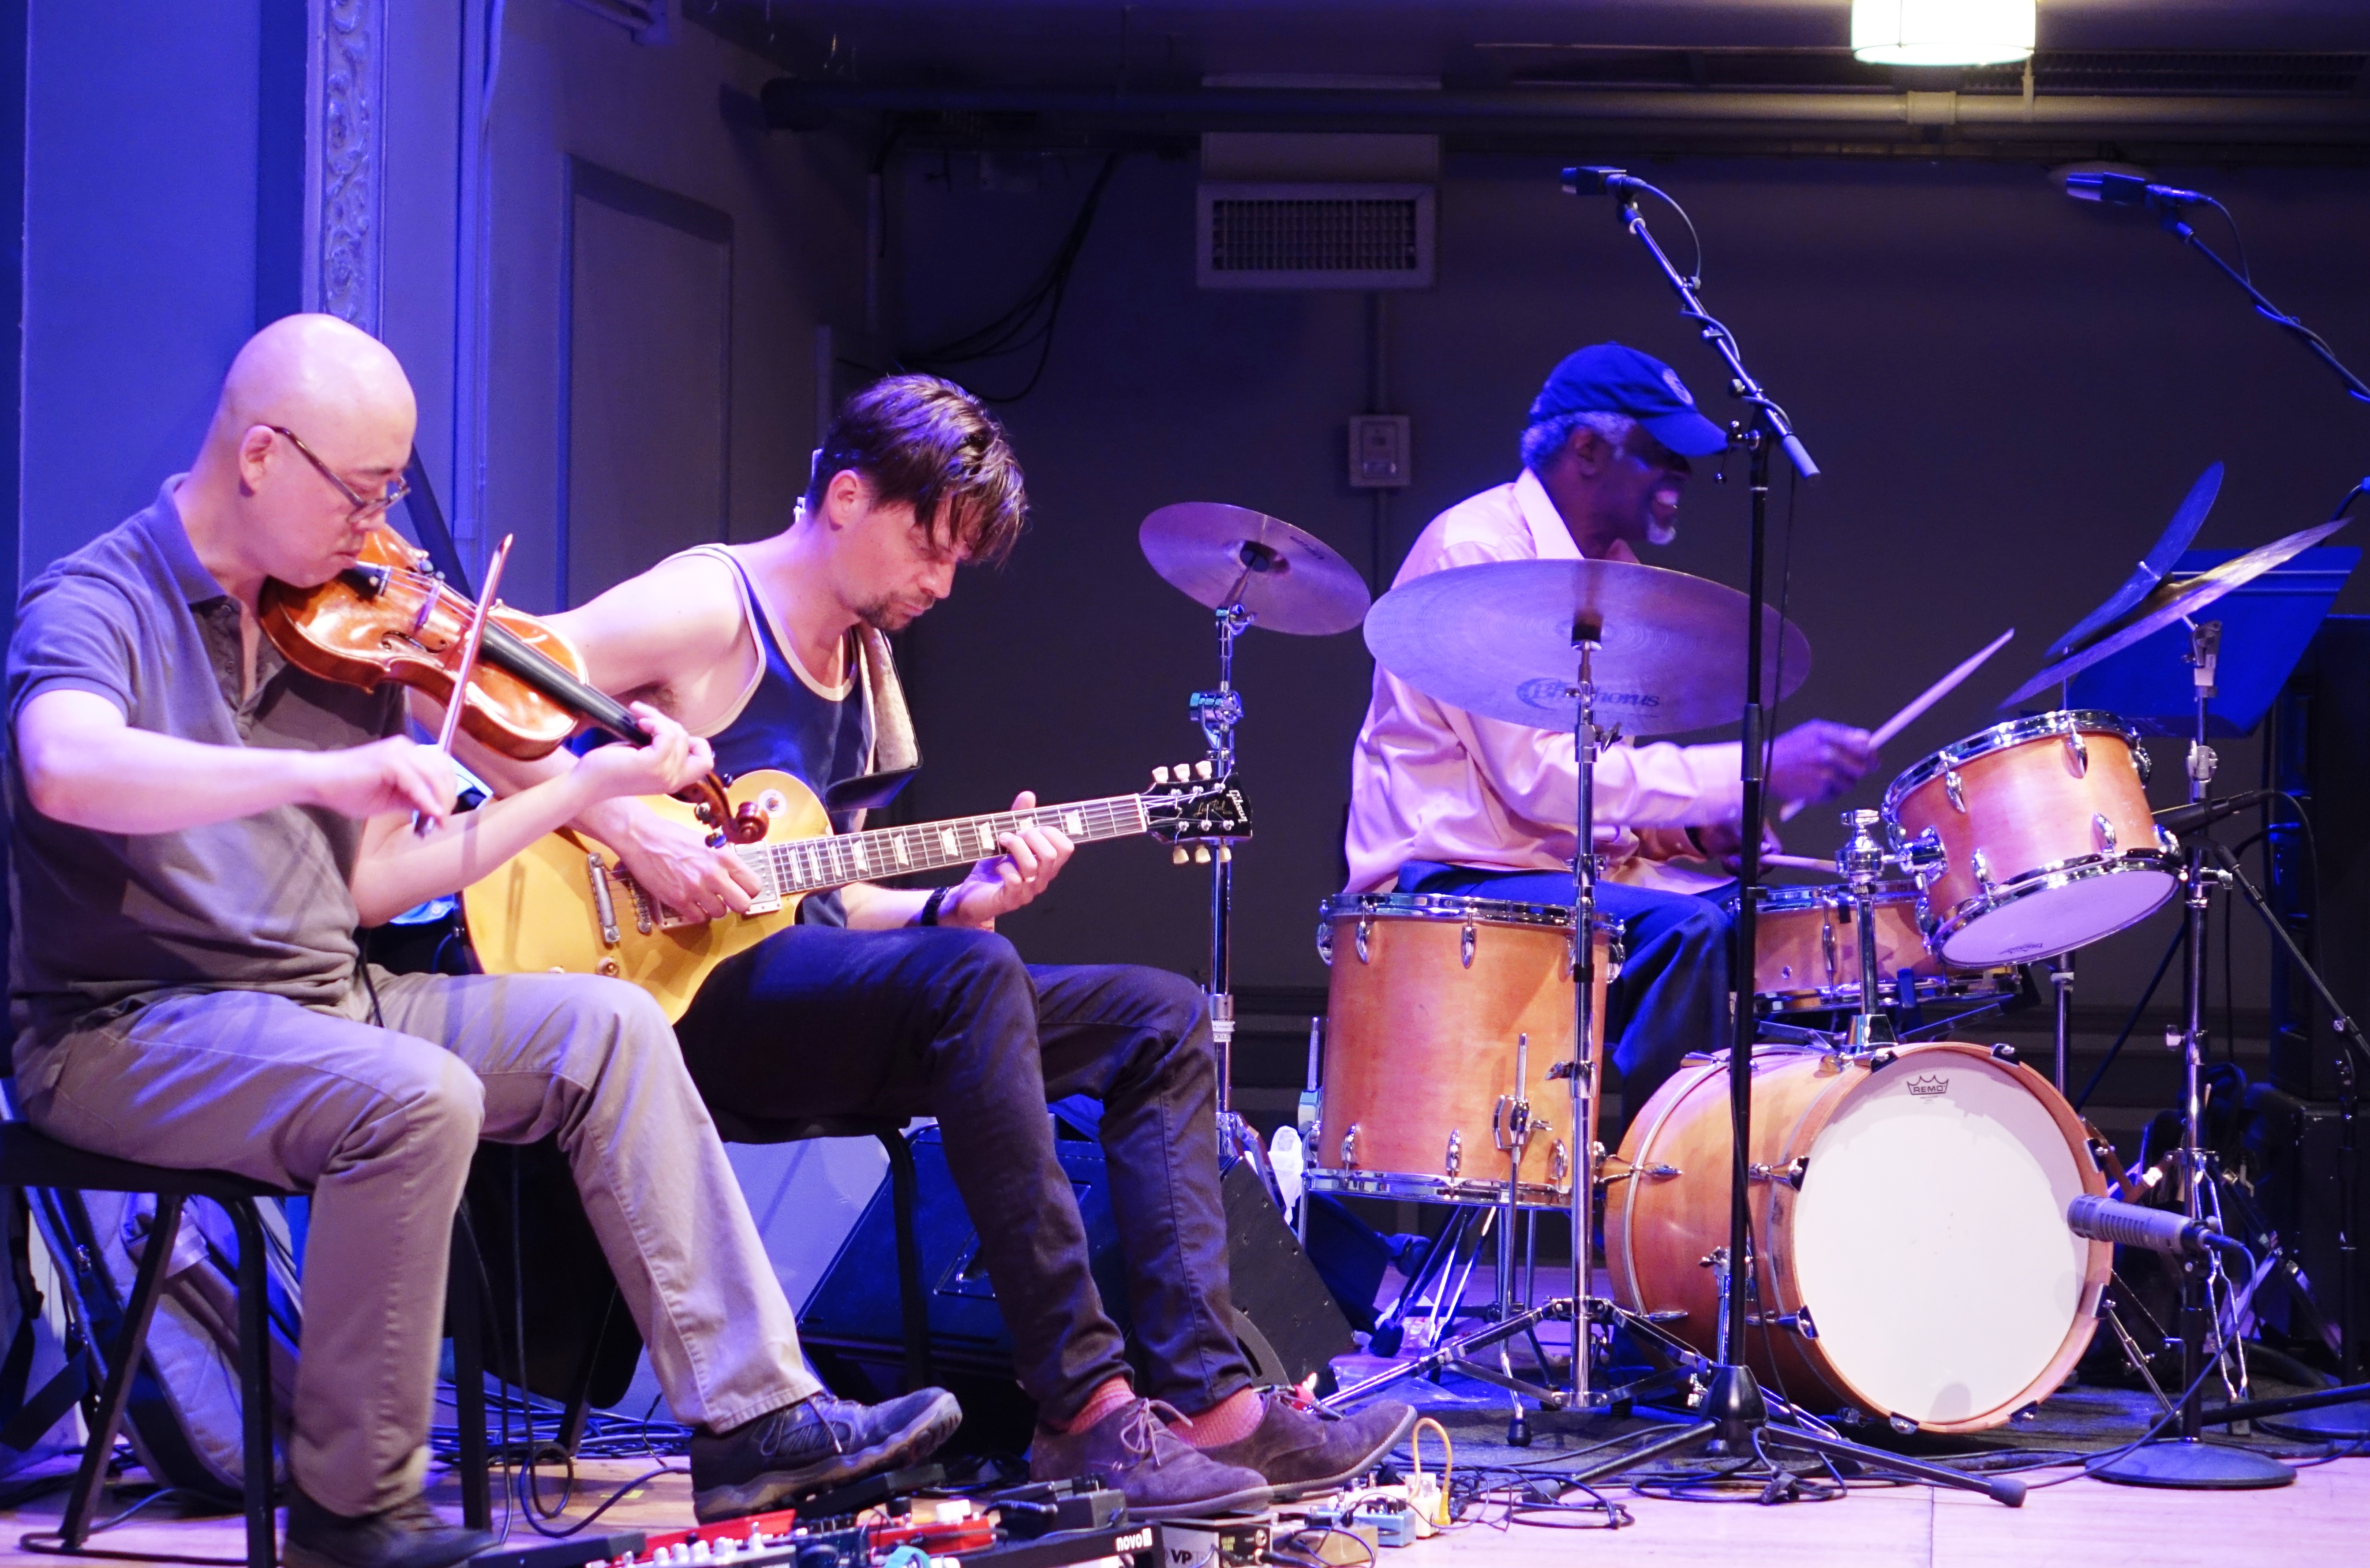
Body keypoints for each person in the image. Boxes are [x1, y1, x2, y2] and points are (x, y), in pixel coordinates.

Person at [4, 317, 963, 1568]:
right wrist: (324, 772)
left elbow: (370, 885)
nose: (376, 527)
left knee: (605, 1024)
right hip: (128, 1029)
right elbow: (65, 767)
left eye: (390, 491)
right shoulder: (98, 600)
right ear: (257, 457)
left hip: (316, 997)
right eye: (358, 492)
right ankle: (355, 1511)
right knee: (412, 1097)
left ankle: (754, 1418)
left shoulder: (335, 621)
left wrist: (576, 791)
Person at [453, 374, 1413, 1521]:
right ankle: (1086, 1410)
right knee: (969, 984)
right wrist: (628, 829)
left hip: (782, 991)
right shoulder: (712, 605)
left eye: (959, 561)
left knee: (1153, 1017)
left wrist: (950, 908)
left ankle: (1214, 1405)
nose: (939, 583)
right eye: (929, 546)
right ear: (845, 496)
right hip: (655, 1006)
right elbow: (469, 682)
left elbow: (818, 893)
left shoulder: (861, 667)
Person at [1344, 341, 1880, 1121]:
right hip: (1455, 878)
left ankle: (1769, 1175)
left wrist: (1695, 831)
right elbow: (1546, 782)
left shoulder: (1609, 573)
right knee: (1690, 933)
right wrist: (1750, 769)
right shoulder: (1480, 552)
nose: (1682, 479)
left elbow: (1601, 786)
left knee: (1806, 926)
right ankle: (1657, 1184)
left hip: (1565, 874)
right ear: (1587, 450)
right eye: (1662, 455)